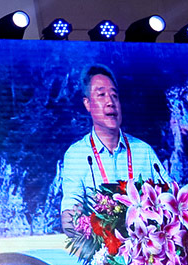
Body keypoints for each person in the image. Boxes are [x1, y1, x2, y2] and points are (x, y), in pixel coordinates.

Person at [54, 64, 165, 234]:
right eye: (101, 95)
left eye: (114, 95)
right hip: (101, 248)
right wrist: (90, 234)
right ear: (87, 104)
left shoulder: (144, 152)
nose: (110, 102)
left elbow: (170, 197)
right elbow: (69, 217)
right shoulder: (77, 155)